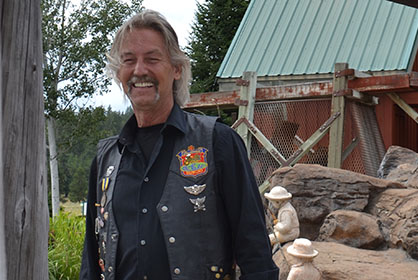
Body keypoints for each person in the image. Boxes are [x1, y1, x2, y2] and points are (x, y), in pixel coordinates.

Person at [80, 9, 279, 280]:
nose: (139, 70)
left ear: (176, 68)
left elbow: (256, 256)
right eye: (129, 61)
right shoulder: (106, 160)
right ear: (118, 72)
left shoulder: (218, 143)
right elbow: (91, 264)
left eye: (152, 59)